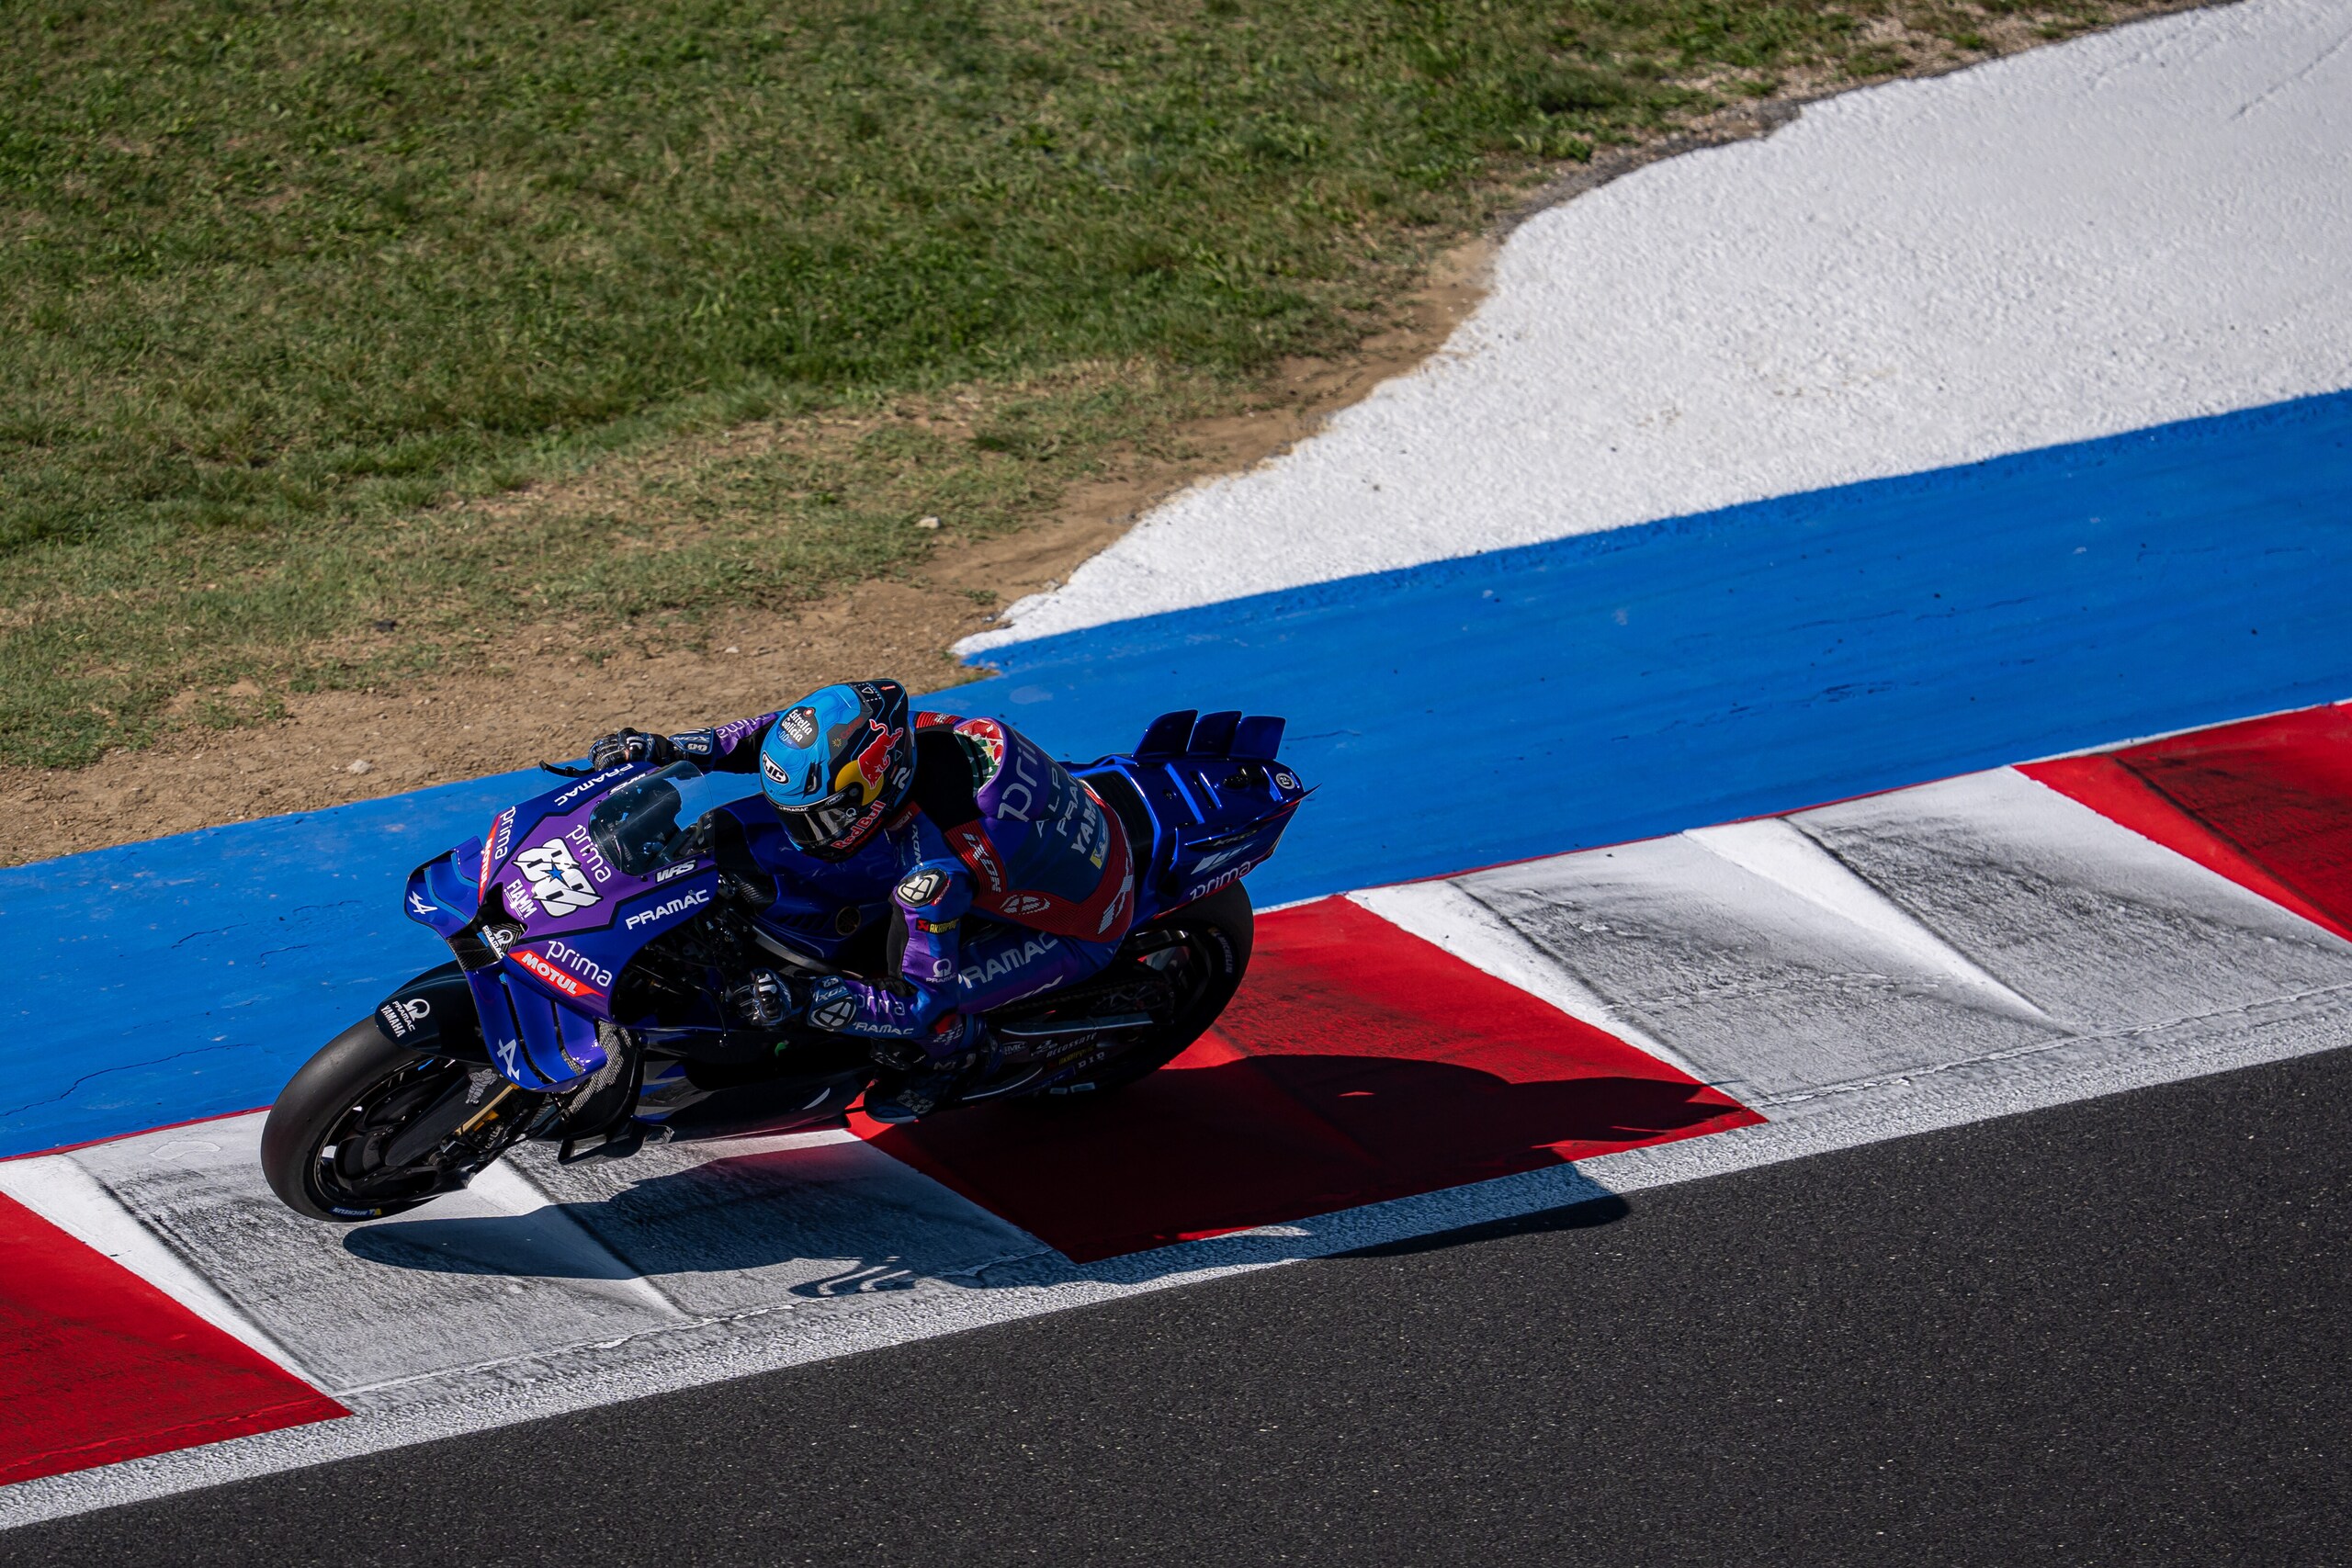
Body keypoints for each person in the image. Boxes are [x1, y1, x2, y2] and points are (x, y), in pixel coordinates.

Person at [584, 679, 1135, 1121]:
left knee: (921, 1028)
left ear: (876, 787)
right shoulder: (889, 735)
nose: (800, 831)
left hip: (1077, 925)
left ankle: (950, 1065)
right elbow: (774, 737)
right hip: (1045, 833)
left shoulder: (935, 871)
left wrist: (802, 998)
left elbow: (922, 1000)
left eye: (816, 818)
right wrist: (670, 748)